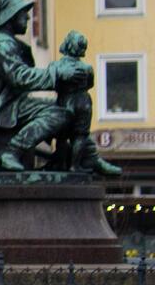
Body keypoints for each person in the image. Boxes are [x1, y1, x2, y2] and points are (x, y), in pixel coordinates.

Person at [0, 0, 111, 173]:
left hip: (5, 105)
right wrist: (57, 74)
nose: (27, 17)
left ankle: (84, 157)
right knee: (60, 115)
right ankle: (11, 152)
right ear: (11, 16)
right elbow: (20, 77)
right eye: (23, 13)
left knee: (67, 108)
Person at [48, 31, 123, 176]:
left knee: (61, 135)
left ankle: (62, 164)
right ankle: (75, 166)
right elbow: (90, 84)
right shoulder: (87, 69)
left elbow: (53, 83)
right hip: (83, 101)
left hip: (64, 101)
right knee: (80, 135)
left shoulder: (56, 65)